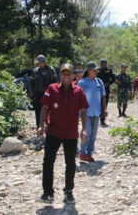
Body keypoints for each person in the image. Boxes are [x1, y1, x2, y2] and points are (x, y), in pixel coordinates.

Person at [38, 63, 88, 204]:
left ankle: (68, 192)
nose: (66, 75)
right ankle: (48, 193)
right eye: (63, 73)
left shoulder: (79, 91)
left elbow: (83, 110)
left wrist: (84, 129)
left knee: (70, 163)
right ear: (60, 75)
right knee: (48, 162)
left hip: (71, 133)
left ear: (73, 76)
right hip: (54, 131)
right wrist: (40, 126)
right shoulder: (51, 89)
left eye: (69, 73)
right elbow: (44, 108)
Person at [78, 61, 108, 162]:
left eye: (96, 70)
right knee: (87, 132)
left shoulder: (99, 82)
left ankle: (89, 153)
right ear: (88, 70)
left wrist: (105, 108)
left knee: (94, 134)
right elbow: (77, 98)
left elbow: (103, 96)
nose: (95, 72)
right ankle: (82, 152)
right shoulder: (82, 83)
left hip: (96, 112)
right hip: (85, 112)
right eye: (94, 70)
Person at [29, 55, 57, 128]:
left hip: (48, 94)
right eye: (38, 63)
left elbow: (55, 82)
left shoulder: (51, 70)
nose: (39, 64)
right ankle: (39, 126)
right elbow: (31, 83)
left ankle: (49, 126)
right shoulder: (35, 71)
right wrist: (31, 93)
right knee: (38, 111)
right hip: (38, 93)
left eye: (40, 62)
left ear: (44, 62)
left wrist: (54, 93)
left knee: (48, 111)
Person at [97, 59, 116, 126]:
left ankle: (102, 119)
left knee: (105, 104)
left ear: (106, 64)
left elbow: (113, 79)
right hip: (97, 89)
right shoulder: (97, 70)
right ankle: (98, 118)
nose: (103, 64)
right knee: (98, 104)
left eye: (104, 63)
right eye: (102, 63)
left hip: (106, 89)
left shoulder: (109, 70)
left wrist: (108, 84)